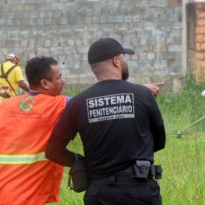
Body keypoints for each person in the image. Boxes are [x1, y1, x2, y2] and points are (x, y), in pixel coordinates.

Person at [45, 38, 166, 205]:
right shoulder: (143, 95)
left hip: (99, 193)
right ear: (116, 61)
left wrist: (81, 162)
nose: (125, 62)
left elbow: (53, 150)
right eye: (124, 57)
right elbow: (159, 142)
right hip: (140, 191)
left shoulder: (78, 102)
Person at [0, 56, 67, 204]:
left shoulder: (5, 107)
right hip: (26, 199)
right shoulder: (59, 105)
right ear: (44, 83)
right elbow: (86, 103)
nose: (63, 81)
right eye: (59, 77)